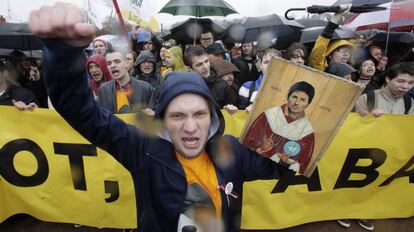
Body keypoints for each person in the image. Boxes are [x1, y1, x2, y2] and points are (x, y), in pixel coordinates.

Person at [29, 2, 292, 231]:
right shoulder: (144, 150)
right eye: (178, 116)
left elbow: (287, 166)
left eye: (199, 114)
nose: (190, 127)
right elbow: (81, 111)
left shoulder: (232, 151)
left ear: (212, 116)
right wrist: (62, 53)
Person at [242, 81, 316, 174]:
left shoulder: (307, 132)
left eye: (302, 100)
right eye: (294, 97)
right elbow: (248, 143)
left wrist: (289, 163)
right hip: (254, 168)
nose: (296, 102)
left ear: (308, 104)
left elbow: (302, 165)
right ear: (288, 97)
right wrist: (262, 149)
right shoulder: (269, 116)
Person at [97, 49, 155, 114]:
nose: (112, 66)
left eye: (117, 61)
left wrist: (151, 114)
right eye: (109, 63)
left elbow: (156, 115)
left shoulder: (146, 88)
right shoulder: (103, 90)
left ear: (126, 63)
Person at [309, 4, 354, 72]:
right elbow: (319, 49)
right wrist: (337, 17)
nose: (346, 54)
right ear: (330, 54)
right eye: (343, 51)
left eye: (348, 52)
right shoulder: (321, 69)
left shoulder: (350, 74)